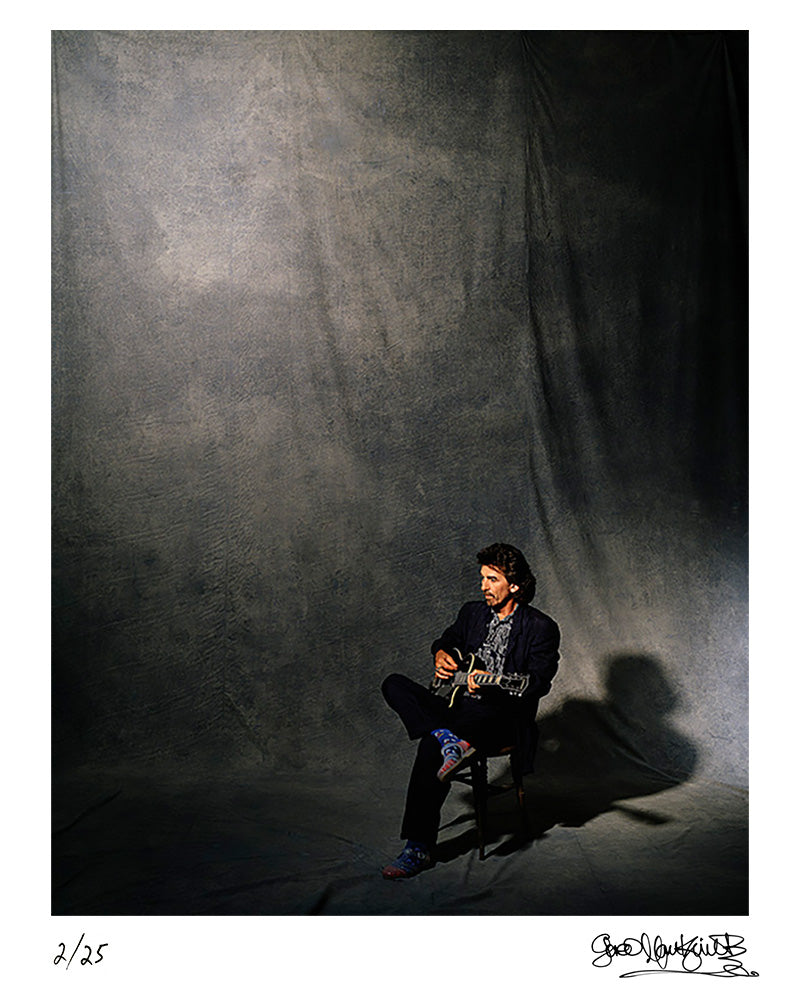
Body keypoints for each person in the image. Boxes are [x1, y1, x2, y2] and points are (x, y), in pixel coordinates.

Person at [380, 542, 560, 878]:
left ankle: (417, 848)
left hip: (501, 716)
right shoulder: (472, 613)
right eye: (483, 578)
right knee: (394, 684)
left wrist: (491, 684)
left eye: (492, 579)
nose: (483, 586)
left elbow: (537, 683)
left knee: (429, 748)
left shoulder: (540, 628)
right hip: (458, 707)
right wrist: (442, 654)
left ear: (515, 585)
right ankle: (448, 737)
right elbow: (447, 639)